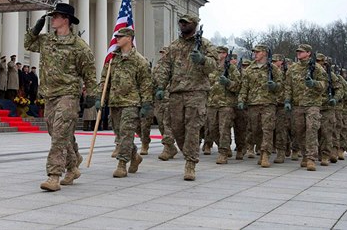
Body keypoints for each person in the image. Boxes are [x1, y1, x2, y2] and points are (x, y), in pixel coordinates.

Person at [24, 2, 96, 192]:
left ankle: (54, 176)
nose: (52, 19)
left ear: (66, 20)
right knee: (56, 133)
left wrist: (91, 94)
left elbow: (89, 72)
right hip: (49, 94)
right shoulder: (47, 40)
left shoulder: (79, 46)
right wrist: (35, 29)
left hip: (68, 94)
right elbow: (28, 44)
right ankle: (73, 166)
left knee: (58, 135)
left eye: (55, 16)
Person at [153, 13, 218, 181]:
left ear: (195, 24)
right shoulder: (174, 46)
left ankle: (190, 163)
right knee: (177, 129)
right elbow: (165, 67)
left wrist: (203, 60)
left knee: (193, 129)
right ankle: (185, 151)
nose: (182, 25)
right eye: (181, 23)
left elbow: (214, 67)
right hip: (176, 93)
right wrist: (161, 86)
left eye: (186, 23)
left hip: (196, 93)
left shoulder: (204, 45)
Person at [95, 27, 152, 178]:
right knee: (121, 135)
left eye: (120, 36)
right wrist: (100, 97)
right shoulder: (113, 58)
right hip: (115, 102)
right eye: (117, 36)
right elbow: (104, 79)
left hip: (131, 102)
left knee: (126, 133)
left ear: (129, 38)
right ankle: (135, 156)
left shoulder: (139, 60)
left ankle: (122, 164)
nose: (117, 39)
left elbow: (146, 83)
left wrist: (146, 104)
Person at [283, 44, 328, 171]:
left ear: (308, 53)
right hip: (297, 105)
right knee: (299, 131)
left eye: (301, 52)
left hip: (312, 104)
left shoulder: (317, 68)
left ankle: (311, 158)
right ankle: (304, 154)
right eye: (298, 51)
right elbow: (288, 86)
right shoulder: (293, 69)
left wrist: (314, 83)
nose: (299, 53)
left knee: (311, 130)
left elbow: (324, 85)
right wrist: (287, 100)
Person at [238, 44, 283, 168]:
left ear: (264, 53)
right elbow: (244, 87)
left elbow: (281, 86)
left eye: (258, 52)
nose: (255, 54)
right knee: (256, 130)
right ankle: (260, 147)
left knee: (267, 129)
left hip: (268, 104)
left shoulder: (273, 69)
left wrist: (274, 86)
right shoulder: (249, 69)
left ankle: (265, 154)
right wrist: (241, 100)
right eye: (254, 52)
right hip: (253, 104)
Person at [206, 46, 241, 165]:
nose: (217, 54)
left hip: (226, 104)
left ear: (225, 54)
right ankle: (223, 145)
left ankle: (223, 152)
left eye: (219, 53)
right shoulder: (210, 68)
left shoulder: (231, 68)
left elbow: (238, 86)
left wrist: (228, 83)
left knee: (224, 129)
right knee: (212, 129)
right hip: (211, 103)